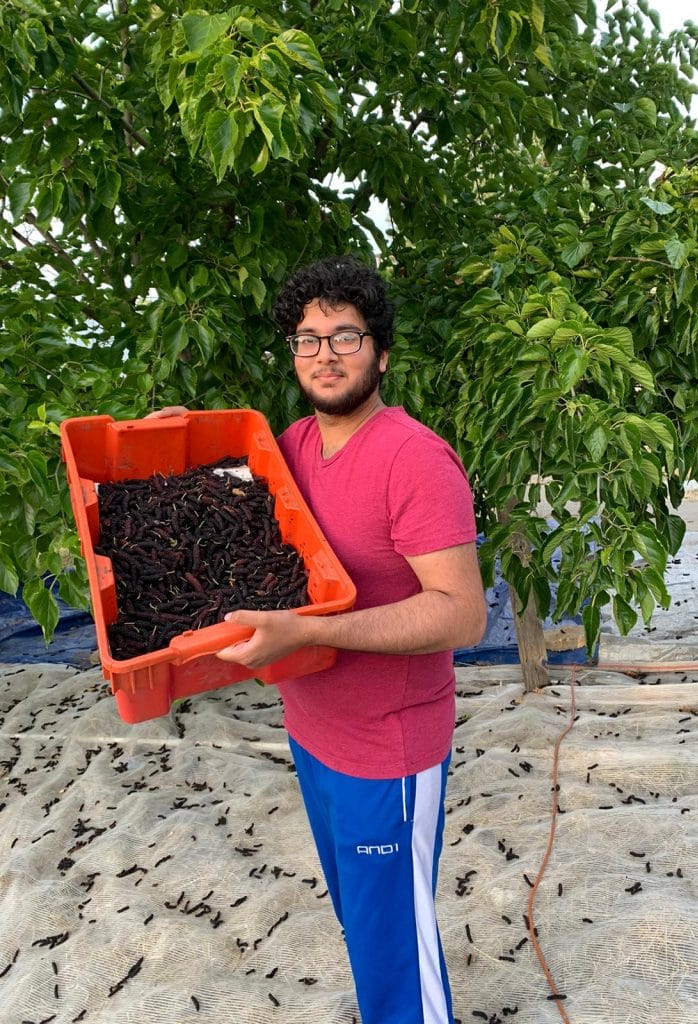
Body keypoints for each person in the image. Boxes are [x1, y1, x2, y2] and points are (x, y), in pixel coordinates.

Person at [151, 255, 487, 1024]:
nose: (325, 354)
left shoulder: (415, 460)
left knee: (394, 949)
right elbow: (235, 508)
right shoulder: (295, 444)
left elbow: (463, 615)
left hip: (388, 750)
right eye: (308, 339)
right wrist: (177, 444)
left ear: (382, 353)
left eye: (346, 337)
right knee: (361, 919)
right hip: (312, 730)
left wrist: (307, 629)